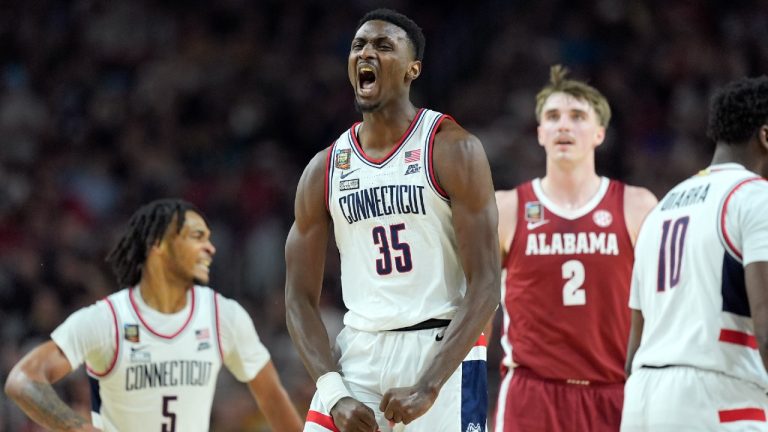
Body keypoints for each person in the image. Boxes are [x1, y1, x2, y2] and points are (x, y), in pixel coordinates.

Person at [285, 8, 500, 432]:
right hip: (359, 352)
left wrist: (429, 385)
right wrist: (334, 393)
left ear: (411, 69)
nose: (367, 52)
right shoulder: (324, 169)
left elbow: (487, 283)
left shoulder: (452, 149)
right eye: (358, 45)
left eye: (384, 46)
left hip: (441, 352)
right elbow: (298, 298)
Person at [4, 199, 303, 432]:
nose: (210, 248)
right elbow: (22, 380)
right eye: (196, 237)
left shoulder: (223, 315)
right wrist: (77, 426)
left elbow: (273, 399)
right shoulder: (106, 319)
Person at [492, 66, 658, 431]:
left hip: (616, 391)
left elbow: (664, 305)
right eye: (553, 117)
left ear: (599, 133)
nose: (563, 126)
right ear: (540, 133)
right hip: (532, 394)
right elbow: (476, 302)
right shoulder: (507, 208)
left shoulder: (637, 206)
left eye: (577, 117)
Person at [622, 77, 768, 431]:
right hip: (719, 396)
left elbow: (633, 349)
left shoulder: (662, 208)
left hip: (642, 397)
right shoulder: (755, 197)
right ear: (765, 136)